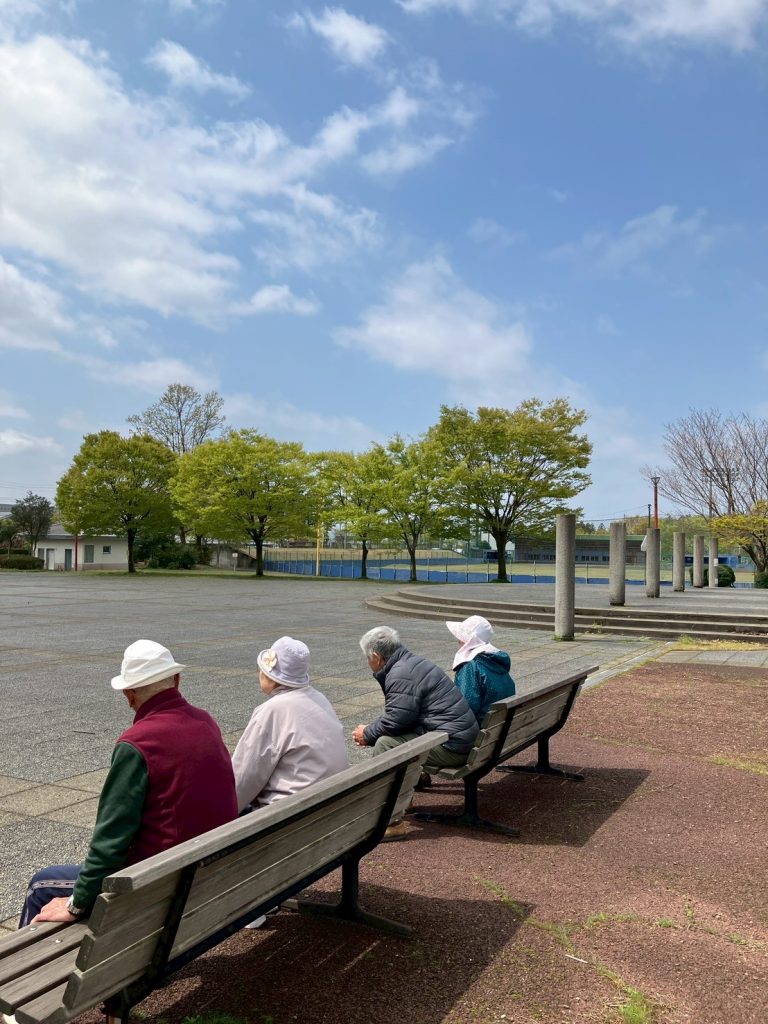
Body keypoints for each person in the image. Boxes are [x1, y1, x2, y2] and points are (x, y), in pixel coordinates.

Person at [18, 640, 238, 928]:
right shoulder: (205, 721)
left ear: (129, 693)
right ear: (176, 679)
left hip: (160, 885)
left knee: (41, 885)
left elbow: (110, 841)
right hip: (211, 872)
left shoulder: (138, 743)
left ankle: (24, 958)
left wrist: (76, 903)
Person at [352, 625, 479, 840]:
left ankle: (390, 821)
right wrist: (371, 729)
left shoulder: (400, 673)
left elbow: (397, 719)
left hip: (453, 746)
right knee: (396, 737)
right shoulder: (411, 662)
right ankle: (405, 797)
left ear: (376, 657)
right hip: (461, 737)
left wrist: (367, 733)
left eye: (367, 658)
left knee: (385, 744)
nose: (368, 663)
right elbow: (403, 715)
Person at [232, 635, 349, 812]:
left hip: (291, 817)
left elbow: (243, 778)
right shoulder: (320, 699)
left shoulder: (273, 710)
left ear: (270, 676)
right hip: (333, 809)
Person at [446, 615, 515, 722]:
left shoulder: (470, 666)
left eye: (463, 636)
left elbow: (464, 710)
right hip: (500, 724)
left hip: (481, 727)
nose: (459, 640)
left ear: (470, 640)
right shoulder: (496, 660)